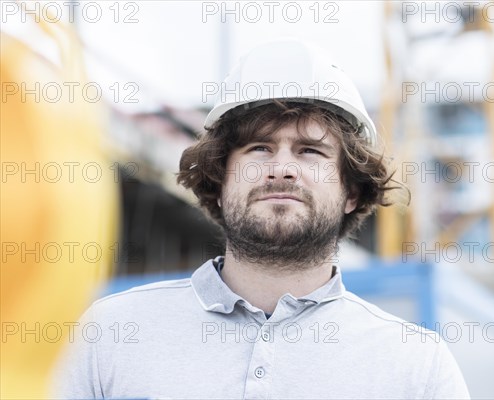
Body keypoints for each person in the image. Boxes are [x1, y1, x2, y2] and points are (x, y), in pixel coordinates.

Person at [53, 38, 470, 399]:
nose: (282, 168)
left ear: (352, 191)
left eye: (310, 151)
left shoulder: (417, 366)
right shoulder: (107, 334)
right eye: (259, 149)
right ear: (220, 178)